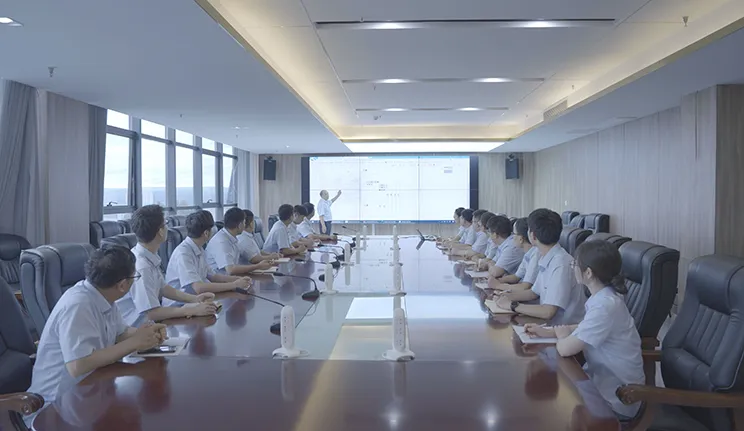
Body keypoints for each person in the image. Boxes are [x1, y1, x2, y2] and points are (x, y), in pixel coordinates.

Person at [27, 246, 168, 404]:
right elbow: (78, 365)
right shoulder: (78, 305)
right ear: (122, 285)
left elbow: (120, 333)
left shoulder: (104, 295)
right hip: (56, 403)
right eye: (135, 277)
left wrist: (147, 334)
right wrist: (135, 342)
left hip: (91, 390)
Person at [524, 240, 644, 420]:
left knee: (549, 409)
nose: (573, 268)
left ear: (588, 273)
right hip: (598, 384)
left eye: (575, 265)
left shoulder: (605, 306)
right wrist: (549, 331)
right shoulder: (604, 298)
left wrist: (562, 337)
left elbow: (565, 349)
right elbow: (585, 327)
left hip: (617, 399)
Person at [115, 205, 218, 325]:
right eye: (166, 224)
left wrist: (195, 299)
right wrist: (191, 310)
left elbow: (163, 288)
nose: (167, 227)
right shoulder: (142, 266)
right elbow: (151, 313)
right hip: (136, 328)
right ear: (160, 231)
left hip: (150, 324)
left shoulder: (148, 256)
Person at [496, 208, 585, 324]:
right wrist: (508, 296)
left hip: (563, 328)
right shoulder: (546, 256)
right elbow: (533, 293)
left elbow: (548, 312)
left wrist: (512, 305)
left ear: (532, 236)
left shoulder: (561, 264)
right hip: (548, 324)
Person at [165, 210, 252, 296]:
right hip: (181, 303)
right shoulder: (183, 253)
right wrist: (234, 285)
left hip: (197, 299)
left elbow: (212, 276)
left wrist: (237, 279)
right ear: (206, 233)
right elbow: (198, 288)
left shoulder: (199, 249)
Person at [205, 207, 275, 275]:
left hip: (229, 277)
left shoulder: (231, 237)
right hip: (218, 280)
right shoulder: (222, 241)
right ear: (239, 225)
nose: (245, 225)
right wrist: (258, 266)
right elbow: (231, 270)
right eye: (244, 222)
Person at [488, 218, 538, 292]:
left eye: (514, 234)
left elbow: (525, 287)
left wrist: (498, 285)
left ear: (521, 239)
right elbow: (516, 276)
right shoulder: (528, 253)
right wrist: (499, 280)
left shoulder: (535, 255)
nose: (512, 237)